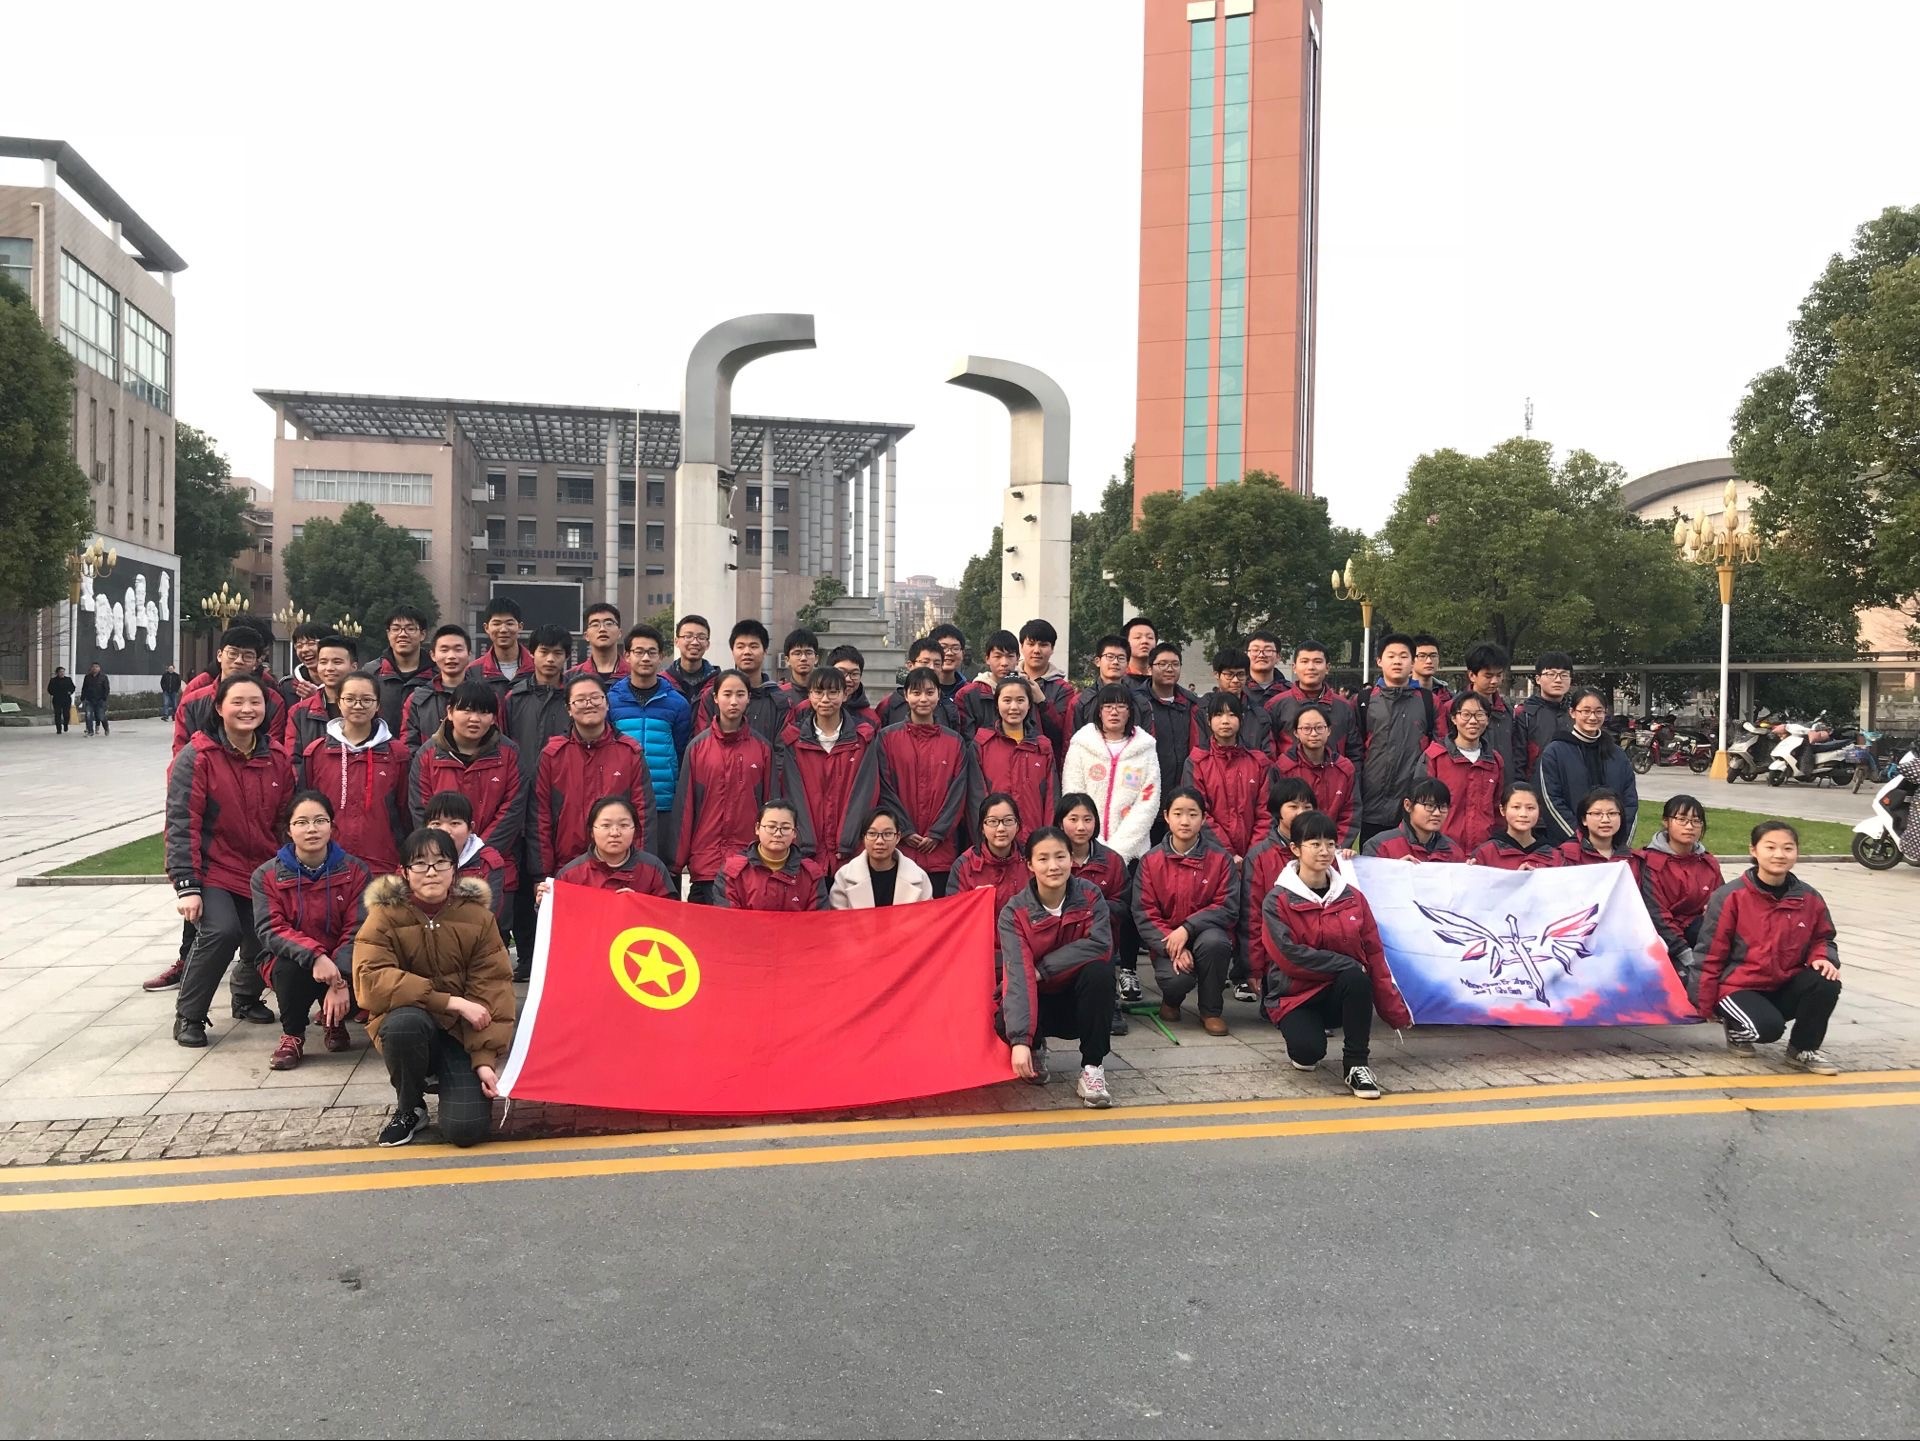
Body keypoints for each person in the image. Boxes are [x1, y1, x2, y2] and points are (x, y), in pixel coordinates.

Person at [354, 827, 516, 1147]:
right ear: (404, 872)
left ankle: (451, 1079)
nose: (431, 872)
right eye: (420, 863)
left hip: (461, 1033)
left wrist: (484, 1058)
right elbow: (370, 979)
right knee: (403, 1025)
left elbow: (493, 987)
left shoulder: (478, 917)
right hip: (412, 1025)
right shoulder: (384, 916)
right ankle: (410, 1107)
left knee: (465, 1131)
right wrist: (450, 1002)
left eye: (441, 862)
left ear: (455, 869)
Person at [165, 675, 296, 1046]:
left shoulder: (277, 758)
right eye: (237, 702)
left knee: (264, 932)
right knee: (222, 931)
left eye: (255, 702)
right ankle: (189, 1016)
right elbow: (181, 822)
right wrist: (187, 885)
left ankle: (245, 996)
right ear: (219, 708)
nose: (247, 709)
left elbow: (286, 820)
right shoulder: (198, 756)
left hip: (263, 867)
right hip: (215, 867)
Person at [1260, 810, 1411, 1099]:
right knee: (1308, 1053)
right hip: (1296, 996)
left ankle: (1356, 1064)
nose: (1324, 851)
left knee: (1358, 978)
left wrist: (1394, 1011)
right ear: (1295, 849)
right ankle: (1305, 1042)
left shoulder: (1353, 896)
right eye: (1315, 844)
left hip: (1339, 993)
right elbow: (1289, 956)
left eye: (1330, 844)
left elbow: (1374, 954)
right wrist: (1345, 963)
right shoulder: (1277, 900)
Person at [1695, 822, 1842, 1074]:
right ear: (1753, 850)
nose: (1779, 855)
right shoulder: (1730, 896)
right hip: (1739, 987)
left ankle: (1802, 1050)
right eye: (1770, 847)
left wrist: (1823, 957)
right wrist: (1705, 1005)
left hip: (1782, 984)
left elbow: (1824, 938)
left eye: (1788, 848)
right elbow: (1710, 953)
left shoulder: (1809, 898)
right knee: (1768, 1030)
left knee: (1826, 980)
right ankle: (1736, 1026)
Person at [997, 825, 1117, 1108]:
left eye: (1060, 856)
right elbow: (1019, 974)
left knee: (1100, 972)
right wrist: (1021, 1041)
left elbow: (1100, 944)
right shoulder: (1014, 912)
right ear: (1029, 864)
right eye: (1043, 858)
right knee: (1003, 1019)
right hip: (1039, 1001)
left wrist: (1044, 969)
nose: (1053, 866)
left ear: (1071, 859)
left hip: (1077, 1000)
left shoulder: (1090, 896)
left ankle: (1092, 1068)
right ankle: (1035, 1046)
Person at [251, 791, 371, 1071]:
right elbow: (271, 928)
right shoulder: (266, 875)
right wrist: (316, 956)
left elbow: (358, 928)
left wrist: (339, 979)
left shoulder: (356, 871)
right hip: (295, 961)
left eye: (320, 820)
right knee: (289, 967)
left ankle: (334, 1021)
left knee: (368, 963)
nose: (312, 829)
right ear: (289, 830)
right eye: (301, 822)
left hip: (342, 959)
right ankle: (293, 1034)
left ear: (332, 826)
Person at [531, 677, 656, 922]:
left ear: (607, 703)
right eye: (580, 700)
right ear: (568, 709)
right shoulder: (552, 755)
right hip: (568, 868)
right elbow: (540, 819)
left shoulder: (629, 752)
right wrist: (542, 874)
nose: (589, 704)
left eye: (595, 698)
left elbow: (643, 813)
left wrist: (638, 869)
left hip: (620, 869)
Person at [1132, 786, 1238, 1034]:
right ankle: (1171, 1001)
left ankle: (1210, 1011)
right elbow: (1144, 912)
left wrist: (1188, 929)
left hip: (1206, 935)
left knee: (1215, 943)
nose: (1185, 821)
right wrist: (1173, 944)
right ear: (1166, 816)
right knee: (1177, 979)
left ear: (1203, 818)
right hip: (1166, 938)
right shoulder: (1151, 861)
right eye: (1178, 813)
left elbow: (1227, 906)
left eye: (1192, 814)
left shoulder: (1220, 859)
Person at [408, 682, 525, 906]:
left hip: (494, 866)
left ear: (494, 718)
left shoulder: (509, 754)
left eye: (484, 712)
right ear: (450, 712)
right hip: (438, 869)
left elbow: (512, 809)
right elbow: (421, 810)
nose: (474, 719)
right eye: (467, 710)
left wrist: (479, 854)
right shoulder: (428, 755)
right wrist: (441, 854)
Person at [860, 666, 972, 897]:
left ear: (939, 695)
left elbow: (958, 794)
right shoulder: (887, 738)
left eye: (930, 692)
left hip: (940, 850)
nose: (923, 699)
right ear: (906, 695)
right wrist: (904, 830)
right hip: (899, 847)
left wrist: (938, 833)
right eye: (916, 692)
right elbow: (884, 788)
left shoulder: (954, 742)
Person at [502, 625, 577, 956]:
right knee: (523, 880)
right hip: (521, 796)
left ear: (566, 657)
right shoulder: (514, 698)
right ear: (532, 654)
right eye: (544, 652)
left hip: (563, 799)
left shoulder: (573, 697)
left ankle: (560, 953)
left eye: (558, 653)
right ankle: (527, 954)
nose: (550, 659)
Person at [297, 671, 411, 876]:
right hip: (327, 863)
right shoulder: (317, 752)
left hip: (383, 863)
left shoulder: (397, 754)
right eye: (349, 699)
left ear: (377, 705)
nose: (358, 705)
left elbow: (405, 811)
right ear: (339, 703)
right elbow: (303, 807)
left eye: (366, 700)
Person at [677, 670, 775, 904]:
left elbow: (770, 805)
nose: (733, 701)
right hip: (706, 863)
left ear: (748, 698)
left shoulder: (762, 748)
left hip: (749, 863)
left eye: (740, 694)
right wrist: (677, 861)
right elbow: (686, 807)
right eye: (727, 694)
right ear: (715, 697)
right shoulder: (697, 748)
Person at [605, 623, 693, 876]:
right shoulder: (611, 701)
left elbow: (680, 752)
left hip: (663, 802)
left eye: (652, 652)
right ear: (627, 656)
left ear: (661, 656)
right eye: (639, 651)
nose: (645, 658)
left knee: (663, 872)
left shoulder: (677, 703)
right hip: (621, 801)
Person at [777, 667, 876, 867]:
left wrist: (847, 840)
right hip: (806, 850)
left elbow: (866, 793)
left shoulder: (863, 739)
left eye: (833, 692)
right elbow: (792, 793)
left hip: (851, 851)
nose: (825, 699)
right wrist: (804, 840)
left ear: (845, 694)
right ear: (809, 695)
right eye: (818, 692)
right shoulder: (793, 740)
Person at [1056, 792, 1136, 1033]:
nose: (1081, 827)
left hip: (1098, 935)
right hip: (1058, 934)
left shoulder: (1112, 861)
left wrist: (1089, 912)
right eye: (1073, 819)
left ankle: (1109, 1005)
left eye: (1087, 819)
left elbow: (1123, 905)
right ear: (1060, 822)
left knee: (1101, 954)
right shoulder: (1051, 857)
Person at [1060, 682, 1160, 863]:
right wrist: (1096, 844)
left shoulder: (1145, 748)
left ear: (1130, 711)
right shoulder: (1081, 745)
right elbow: (1073, 794)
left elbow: (1148, 802)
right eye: (1107, 706)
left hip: (1132, 852)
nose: (1114, 712)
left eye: (1121, 706)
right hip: (1085, 849)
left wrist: (1118, 851)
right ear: (1099, 711)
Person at [1356, 632, 1439, 846]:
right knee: (1373, 858)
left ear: (1412, 662)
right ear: (1379, 661)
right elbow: (1354, 750)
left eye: (1403, 656)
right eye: (1391, 656)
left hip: (1413, 801)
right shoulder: (1364, 700)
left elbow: (1437, 751)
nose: (1397, 661)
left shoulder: (1429, 701)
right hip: (1372, 800)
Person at [1636, 795, 1720, 997]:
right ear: (1666, 822)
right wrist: (1685, 954)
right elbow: (1657, 916)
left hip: (1702, 932)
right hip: (1665, 940)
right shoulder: (1651, 863)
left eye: (1696, 821)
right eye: (1681, 819)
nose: (1689, 826)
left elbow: (1723, 904)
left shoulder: (1708, 862)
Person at [1243, 775, 1320, 988]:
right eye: (1293, 806)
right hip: (1275, 958)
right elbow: (1252, 916)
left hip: (1317, 955)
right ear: (1278, 810)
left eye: (1307, 807)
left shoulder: (1325, 853)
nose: (1301, 813)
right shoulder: (1259, 856)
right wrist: (1254, 968)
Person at [1538, 687, 1638, 847]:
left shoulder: (1617, 754)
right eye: (1585, 711)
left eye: (1598, 711)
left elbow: (1630, 801)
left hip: (1612, 849)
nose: (1592, 717)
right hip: (1571, 848)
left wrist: (1619, 843)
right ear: (1572, 712)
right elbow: (1551, 801)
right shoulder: (1555, 752)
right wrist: (1582, 842)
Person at [1184, 691, 1272, 860]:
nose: (1225, 721)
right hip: (1210, 855)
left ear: (1241, 719)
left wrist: (1253, 855)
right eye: (1218, 715)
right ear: (1209, 720)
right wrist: (1228, 853)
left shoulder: (1259, 762)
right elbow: (1198, 812)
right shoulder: (1197, 762)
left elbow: (1266, 814)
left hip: (1254, 857)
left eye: (1232, 715)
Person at [971, 677, 1057, 849]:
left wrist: (1048, 839)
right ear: (997, 704)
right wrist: (983, 839)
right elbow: (975, 797)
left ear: (1029, 704)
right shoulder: (982, 744)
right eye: (1007, 700)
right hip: (995, 841)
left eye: (1020, 700)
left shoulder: (1042, 746)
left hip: (1035, 841)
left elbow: (1051, 798)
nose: (1014, 707)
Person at [173, 625, 287, 755]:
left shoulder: (273, 702)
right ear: (219, 655)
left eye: (248, 656)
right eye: (232, 653)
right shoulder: (192, 702)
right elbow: (181, 753)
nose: (239, 661)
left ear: (256, 663)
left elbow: (272, 751)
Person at [543, 796, 675, 899]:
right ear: (591, 831)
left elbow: (669, 913)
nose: (615, 833)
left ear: (635, 830)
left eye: (624, 825)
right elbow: (558, 917)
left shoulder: (653, 869)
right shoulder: (570, 875)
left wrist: (639, 904)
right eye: (606, 826)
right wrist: (543, 902)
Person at [1425, 690, 1505, 853]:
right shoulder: (1436, 757)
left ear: (1487, 719)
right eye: (1466, 715)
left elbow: (1498, 809)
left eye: (1480, 715)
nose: (1473, 721)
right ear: (1454, 718)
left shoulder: (1495, 761)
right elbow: (1420, 807)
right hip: (1442, 851)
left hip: (1483, 851)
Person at [715, 799, 829, 910]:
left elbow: (816, 918)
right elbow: (728, 918)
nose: (778, 834)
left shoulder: (811, 874)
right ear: (757, 828)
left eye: (785, 828)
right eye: (771, 827)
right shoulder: (732, 872)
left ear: (794, 833)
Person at [1274, 701, 1358, 848]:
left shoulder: (1344, 769)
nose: (1314, 734)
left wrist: (1335, 847)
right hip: (1293, 848)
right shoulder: (1283, 767)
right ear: (1296, 732)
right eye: (1306, 728)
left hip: (1332, 849)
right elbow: (1276, 813)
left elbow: (1350, 812)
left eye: (1319, 728)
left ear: (1329, 730)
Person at [1267, 640, 1360, 765]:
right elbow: (1269, 754)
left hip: (1334, 775)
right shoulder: (1276, 705)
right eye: (1304, 661)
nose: (1311, 667)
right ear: (1294, 667)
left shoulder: (1344, 707)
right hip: (1289, 776)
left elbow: (1355, 753)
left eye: (1317, 662)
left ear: (1327, 668)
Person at [695, 619, 787, 743]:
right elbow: (702, 743)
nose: (747, 652)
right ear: (732, 651)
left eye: (753, 646)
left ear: (765, 651)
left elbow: (783, 748)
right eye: (740, 646)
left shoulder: (778, 700)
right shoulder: (713, 695)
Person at [423, 789, 508, 923]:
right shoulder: (413, 859)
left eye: (454, 823)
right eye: (436, 824)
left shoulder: (488, 862)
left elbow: (489, 915)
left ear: (470, 828)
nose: (445, 830)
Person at [1141, 643, 1199, 830]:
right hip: (1145, 794)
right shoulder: (1138, 702)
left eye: (1175, 664)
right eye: (1162, 664)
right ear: (1150, 668)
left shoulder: (1191, 703)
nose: (1169, 669)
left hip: (1183, 794)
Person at [830, 805, 934, 908]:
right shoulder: (844, 876)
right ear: (863, 838)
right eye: (872, 833)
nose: (879, 841)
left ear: (898, 837)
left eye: (887, 834)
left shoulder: (918, 876)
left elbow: (927, 915)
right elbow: (839, 917)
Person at [949, 792, 1031, 911]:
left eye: (1008, 820)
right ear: (982, 828)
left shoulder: (1030, 860)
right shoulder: (964, 865)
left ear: (1017, 826)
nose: (1001, 828)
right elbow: (955, 911)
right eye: (993, 821)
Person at [1438, 643, 1514, 769]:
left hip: (1503, 776)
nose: (1494, 681)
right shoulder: (1452, 708)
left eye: (1499, 675)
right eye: (1488, 676)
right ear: (1472, 675)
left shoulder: (1507, 710)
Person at [398, 624, 474, 749]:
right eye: (444, 650)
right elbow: (409, 745)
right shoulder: (418, 700)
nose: (451, 656)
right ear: (433, 655)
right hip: (429, 761)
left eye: (458, 649)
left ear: (469, 654)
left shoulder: (484, 696)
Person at [363, 606, 435, 733]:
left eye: (410, 629)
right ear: (388, 634)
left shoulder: (436, 674)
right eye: (396, 629)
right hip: (381, 743)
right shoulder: (371, 672)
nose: (402, 634)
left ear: (422, 634)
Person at [1015, 619, 1078, 761]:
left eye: (1043, 645)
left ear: (1052, 648)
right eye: (1031, 644)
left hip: (1046, 761)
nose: (1036, 650)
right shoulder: (1008, 681)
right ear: (1021, 646)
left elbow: (1062, 733)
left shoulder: (1063, 689)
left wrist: (1042, 702)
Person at [1361, 777, 1465, 861]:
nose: (1437, 813)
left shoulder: (1454, 851)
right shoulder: (1380, 846)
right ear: (1408, 805)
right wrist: (1394, 871)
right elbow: (1367, 879)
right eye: (1429, 805)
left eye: (1443, 807)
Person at [287, 634, 360, 753]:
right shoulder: (299, 712)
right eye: (323, 662)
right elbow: (293, 758)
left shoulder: (367, 707)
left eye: (337, 662)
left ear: (354, 667)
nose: (329, 668)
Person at [1068, 633, 1153, 735]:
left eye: (1121, 658)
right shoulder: (1081, 701)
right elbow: (1070, 739)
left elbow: (1149, 740)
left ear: (1127, 664)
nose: (1115, 662)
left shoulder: (1140, 702)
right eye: (1110, 656)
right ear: (1098, 661)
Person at [1512, 650, 1576, 781]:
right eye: (1551, 674)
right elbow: (1518, 761)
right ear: (1538, 679)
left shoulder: (1577, 713)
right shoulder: (1524, 714)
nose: (1558, 680)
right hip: (1535, 787)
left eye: (1564, 675)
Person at [876, 637, 964, 731]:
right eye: (925, 662)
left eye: (937, 664)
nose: (931, 668)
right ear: (910, 665)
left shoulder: (949, 707)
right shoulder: (890, 704)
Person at [1470, 782, 1560, 869]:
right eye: (1516, 807)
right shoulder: (1485, 854)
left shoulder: (1554, 856)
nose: (1523, 814)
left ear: (1539, 811)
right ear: (1502, 810)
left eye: (1530, 808)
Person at [1198, 648, 1271, 753]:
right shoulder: (1201, 710)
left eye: (1240, 674)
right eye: (1229, 675)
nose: (1235, 680)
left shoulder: (1259, 714)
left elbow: (1268, 755)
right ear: (1216, 674)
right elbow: (1197, 751)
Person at [955, 629, 1023, 733]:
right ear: (987, 659)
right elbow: (965, 736)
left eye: (1010, 656)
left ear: (1017, 658)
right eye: (998, 656)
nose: (1004, 663)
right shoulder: (968, 695)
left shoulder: (1027, 690)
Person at [467, 597, 531, 701]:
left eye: (509, 623)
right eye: (496, 624)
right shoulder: (473, 671)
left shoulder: (536, 667)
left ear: (520, 627)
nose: (503, 630)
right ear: (486, 628)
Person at [1556, 787, 1633, 867]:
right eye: (1597, 814)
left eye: (1612, 813)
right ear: (1584, 819)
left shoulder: (1632, 859)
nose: (1605, 820)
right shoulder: (1565, 856)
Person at [825, 644, 882, 733]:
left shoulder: (871, 719)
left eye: (854, 674)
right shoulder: (809, 708)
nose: (848, 679)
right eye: (842, 672)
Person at [661, 613, 718, 702]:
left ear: (707, 644)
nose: (695, 642)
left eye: (701, 637)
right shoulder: (663, 681)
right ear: (676, 642)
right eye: (688, 636)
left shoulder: (719, 682)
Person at [571, 602, 624, 688]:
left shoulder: (634, 674)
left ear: (619, 633)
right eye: (595, 625)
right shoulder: (572, 677)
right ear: (586, 635)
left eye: (609, 623)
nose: (602, 629)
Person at [774, 627, 821, 715]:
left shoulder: (826, 694)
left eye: (808, 653)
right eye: (797, 653)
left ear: (816, 659)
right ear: (787, 660)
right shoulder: (779, 695)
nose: (803, 658)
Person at [282, 621, 330, 704]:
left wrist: (317, 699)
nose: (304, 650)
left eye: (311, 643)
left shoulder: (345, 684)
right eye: (299, 645)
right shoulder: (287, 687)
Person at [1243, 630, 1286, 711]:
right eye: (1255, 650)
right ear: (1246, 655)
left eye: (1268, 650)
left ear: (1278, 657)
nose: (1261, 655)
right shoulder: (1238, 688)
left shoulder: (1290, 692)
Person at [929, 622, 969, 703]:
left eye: (955, 648)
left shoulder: (970, 692)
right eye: (943, 647)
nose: (949, 653)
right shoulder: (916, 690)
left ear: (963, 654)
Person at [1410, 634, 1449, 703]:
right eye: (1422, 656)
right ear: (1411, 660)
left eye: (1433, 656)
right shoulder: (1400, 693)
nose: (1429, 661)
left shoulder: (1448, 695)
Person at [1122, 616, 1157, 686]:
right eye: (1137, 637)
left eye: (1150, 637)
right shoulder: (1118, 677)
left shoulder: (1162, 678)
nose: (1145, 641)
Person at [79, 661, 111, 737]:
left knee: (101, 716)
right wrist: (82, 698)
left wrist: (104, 698)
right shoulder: (87, 677)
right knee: (88, 715)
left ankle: (106, 728)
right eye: (93, 667)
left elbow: (106, 689)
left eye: (96, 667)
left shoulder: (103, 677)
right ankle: (90, 731)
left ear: (99, 668)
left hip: (100, 700)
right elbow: (84, 688)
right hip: (89, 700)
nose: (94, 668)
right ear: (91, 668)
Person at [46, 666, 74, 734]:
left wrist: (70, 692)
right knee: (57, 714)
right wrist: (54, 693)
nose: (62, 673)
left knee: (66, 714)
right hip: (57, 699)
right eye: (60, 672)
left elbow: (72, 687)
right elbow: (49, 689)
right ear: (57, 673)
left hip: (66, 699)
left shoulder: (68, 679)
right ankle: (58, 729)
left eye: (63, 672)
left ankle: (65, 724)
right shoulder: (53, 680)